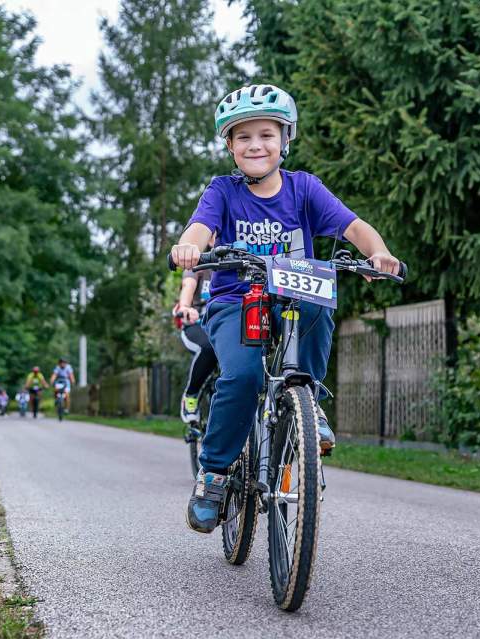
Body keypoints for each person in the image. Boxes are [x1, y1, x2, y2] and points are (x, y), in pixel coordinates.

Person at [170, 84, 402, 533]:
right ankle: (213, 476)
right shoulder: (222, 191)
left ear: (285, 139)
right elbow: (200, 228)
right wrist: (188, 246)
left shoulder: (304, 189)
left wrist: (379, 253)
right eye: (243, 137)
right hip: (237, 299)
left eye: (266, 135)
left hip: (295, 292)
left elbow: (354, 226)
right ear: (230, 146)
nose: (255, 144)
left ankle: (307, 400)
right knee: (242, 375)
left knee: (318, 304)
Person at [173, 246, 217, 425]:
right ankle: (190, 396)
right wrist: (185, 306)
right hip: (196, 323)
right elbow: (188, 285)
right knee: (209, 347)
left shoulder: (242, 263)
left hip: (225, 323)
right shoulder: (198, 262)